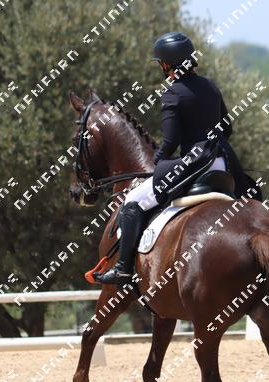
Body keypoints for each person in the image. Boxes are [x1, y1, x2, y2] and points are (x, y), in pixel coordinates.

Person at [94, 31, 259, 285]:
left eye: (161, 62)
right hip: (224, 162)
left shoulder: (172, 93)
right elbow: (227, 129)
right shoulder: (210, 86)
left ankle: (123, 269)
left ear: (166, 64)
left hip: (195, 165)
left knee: (132, 201)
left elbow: (170, 141)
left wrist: (158, 160)